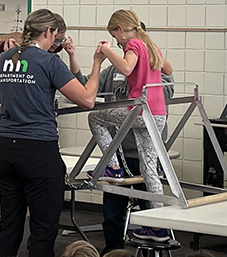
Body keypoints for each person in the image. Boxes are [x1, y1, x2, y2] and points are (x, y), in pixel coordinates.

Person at [0, 8, 105, 257]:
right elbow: (87, 99)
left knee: (9, 224)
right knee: (42, 229)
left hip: (7, 149)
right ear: (49, 32)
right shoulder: (50, 62)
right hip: (38, 150)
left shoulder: (5, 58)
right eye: (56, 36)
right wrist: (96, 65)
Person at [64, 32, 173, 252]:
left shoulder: (152, 60)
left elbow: (168, 91)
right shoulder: (115, 68)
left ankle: (154, 244)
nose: (120, 44)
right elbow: (86, 86)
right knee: (112, 211)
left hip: (143, 142)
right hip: (120, 148)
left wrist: (143, 77)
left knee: (148, 204)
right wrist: (72, 56)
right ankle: (113, 251)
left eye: (120, 38)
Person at [86, 9, 169, 242]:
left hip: (139, 111)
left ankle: (112, 166)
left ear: (121, 30)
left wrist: (106, 51)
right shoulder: (150, 46)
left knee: (95, 117)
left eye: (115, 35)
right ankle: (158, 225)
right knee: (149, 170)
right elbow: (168, 70)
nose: (116, 41)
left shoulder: (133, 45)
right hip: (157, 114)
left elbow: (126, 68)